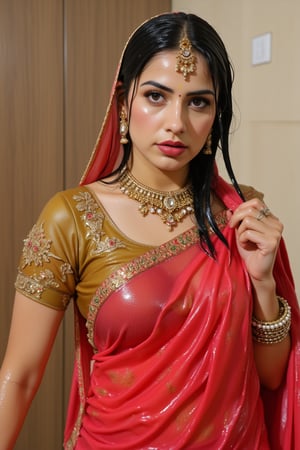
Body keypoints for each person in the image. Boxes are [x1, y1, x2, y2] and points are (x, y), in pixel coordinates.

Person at [0, 11, 299, 450]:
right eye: (156, 97)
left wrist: (263, 281)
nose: (176, 121)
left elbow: (273, 376)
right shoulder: (72, 219)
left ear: (216, 115)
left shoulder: (242, 215)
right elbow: (19, 377)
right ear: (123, 102)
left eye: (198, 102)